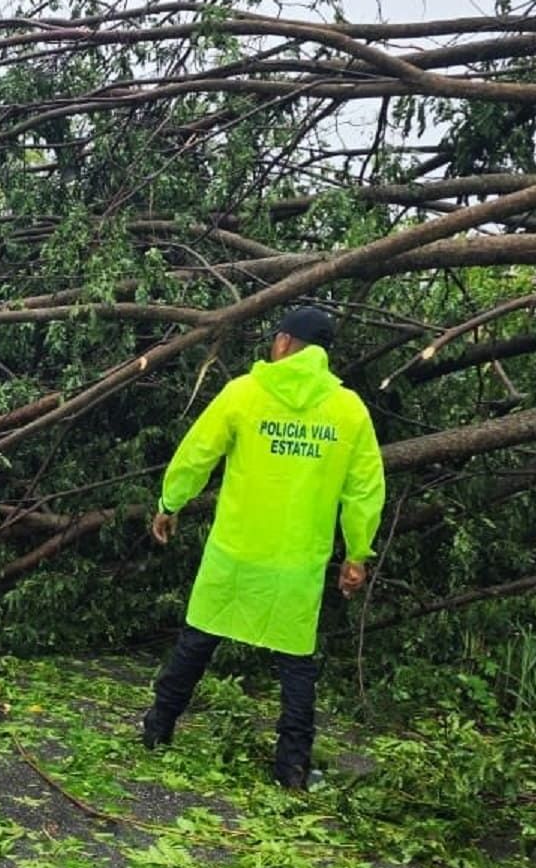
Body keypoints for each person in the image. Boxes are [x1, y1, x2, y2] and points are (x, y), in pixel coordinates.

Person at [143, 306, 385, 788]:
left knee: (197, 640)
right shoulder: (348, 410)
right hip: (296, 563)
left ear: (283, 343)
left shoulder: (244, 394)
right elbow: (364, 489)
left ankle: (157, 730)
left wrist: (170, 502)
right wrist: (357, 553)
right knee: (296, 665)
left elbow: (198, 453)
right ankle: (291, 768)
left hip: (235, 551)